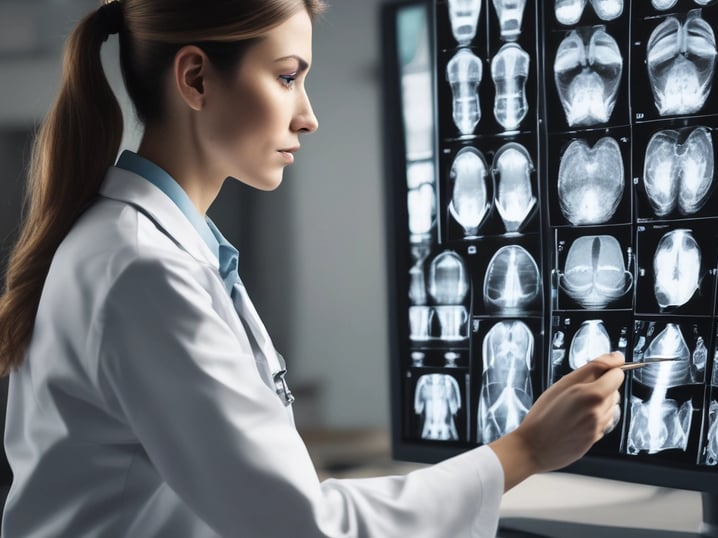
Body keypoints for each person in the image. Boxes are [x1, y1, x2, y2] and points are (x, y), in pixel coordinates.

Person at [0, 1, 626, 536]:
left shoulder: (142, 248)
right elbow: (304, 526)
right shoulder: (144, 269)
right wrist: (526, 450)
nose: (308, 115)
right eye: (286, 77)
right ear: (195, 79)